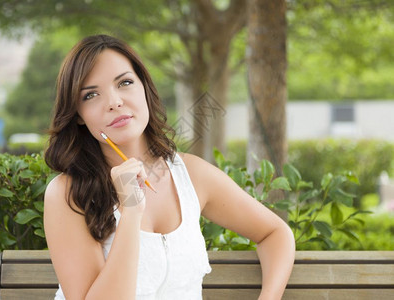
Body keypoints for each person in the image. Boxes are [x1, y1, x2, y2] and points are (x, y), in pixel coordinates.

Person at [43, 34, 295, 300]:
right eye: (91, 95)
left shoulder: (192, 174)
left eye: (125, 82)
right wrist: (130, 212)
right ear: (78, 115)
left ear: (144, 88)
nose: (114, 102)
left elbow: (275, 233)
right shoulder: (67, 194)